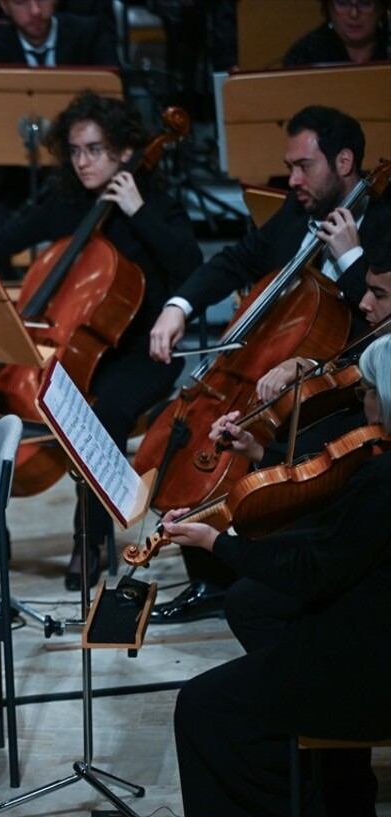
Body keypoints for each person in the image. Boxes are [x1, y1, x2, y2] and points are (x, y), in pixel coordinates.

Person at [147, 105, 391, 621]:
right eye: (290, 166)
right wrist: (178, 308)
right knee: (215, 432)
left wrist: (350, 260)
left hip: (351, 392)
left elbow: (379, 324)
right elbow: (238, 259)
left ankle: (263, 565)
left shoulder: (386, 224)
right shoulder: (297, 212)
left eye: (304, 166)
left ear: (344, 161)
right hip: (292, 376)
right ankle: (219, 572)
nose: (293, 179)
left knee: (270, 448)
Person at [0, 92, 202, 589]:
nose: (82, 161)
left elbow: (190, 267)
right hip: (73, 347)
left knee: (105, 411)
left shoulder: (155, 203)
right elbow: (1, 240)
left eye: (94, 150)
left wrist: (138, 212)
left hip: (143, 350)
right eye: (74, 151)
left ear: (123, 151)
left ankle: (89, 539)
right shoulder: (68, 202)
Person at [168, 333, 391, 817]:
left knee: (204, 707)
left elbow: (313, 567)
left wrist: (218, 544)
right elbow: (335, 542)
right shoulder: (378, 471)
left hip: (372, 665)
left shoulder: (383, 480)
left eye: (371, 390)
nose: (364, 400)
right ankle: (325, 814)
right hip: (373, 628)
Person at [0, 0, 120, 278]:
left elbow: (113, 110)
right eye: (22, 3)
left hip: (80, 175)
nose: (36, 11)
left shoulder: (89, 33)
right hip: (11, 175)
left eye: (42, 0)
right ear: (4, 6)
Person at [284, 0, 389, 67]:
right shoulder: (305, 55)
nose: (354, 14)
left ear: (380, 9)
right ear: (328, 8)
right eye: (343, 3)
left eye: (365, 3)